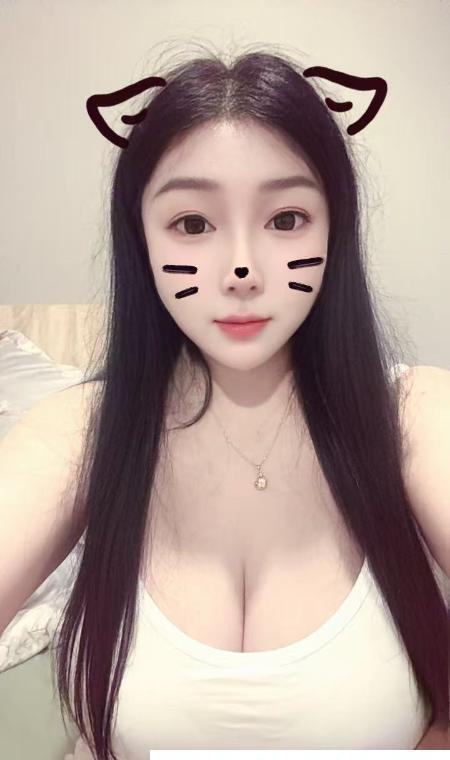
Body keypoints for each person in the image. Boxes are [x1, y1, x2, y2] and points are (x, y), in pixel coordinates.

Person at [2, 45, 448, 758]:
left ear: (335, 228)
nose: (242, 268)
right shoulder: (77, 430)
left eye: (286, 219)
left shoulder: (415, 415)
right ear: (140, 239)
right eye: (192, 224)